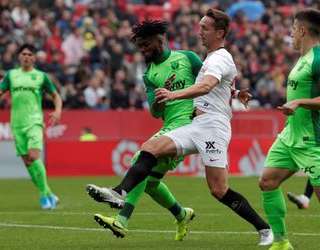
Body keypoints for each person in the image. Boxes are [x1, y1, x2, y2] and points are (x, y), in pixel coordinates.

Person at [87, 9, 273, 246]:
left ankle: (264, 229)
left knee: (218, 190)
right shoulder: (198, 62)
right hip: (195, 124)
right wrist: (235, 92)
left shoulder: (210, 58)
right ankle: (119, 194)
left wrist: (174, 95)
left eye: (205, 28)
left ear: (220, 32)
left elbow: (206, 86)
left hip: (213, 127)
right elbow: (215, 85)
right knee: (149, 148)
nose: (199, 31)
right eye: (199, 26)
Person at [87, 19, 203, 241]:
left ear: (160, 40)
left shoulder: (187, 58)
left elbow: (209, 84)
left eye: (146, 45)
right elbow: (155, 112)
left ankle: (121, 218)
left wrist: (205, 111)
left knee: (140, 157)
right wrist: (160, 98)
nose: (143, 50)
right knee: (149, 182)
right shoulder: (149, 75)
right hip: (170, 126)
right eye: (140, 46)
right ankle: (182, 214)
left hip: (189, 126)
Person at [259, 8, 320, 250]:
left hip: (312, 141)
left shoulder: (317, 59)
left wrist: (299, 102)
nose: (291, 34)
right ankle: (281, 242)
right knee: (267, 182)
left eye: (293, 29)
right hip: (289, 137)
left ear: (303, 30)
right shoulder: (302, 59)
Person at [0, 44, 62, 210]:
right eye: (23, 54)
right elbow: (0, 90)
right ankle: (49, 194)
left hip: (34, 121)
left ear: (34, 58)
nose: (26, 57)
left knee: (34, 156)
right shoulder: (11, 75)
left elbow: (55, 95)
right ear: (19, 57)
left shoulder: (40, 76)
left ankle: (44, 197)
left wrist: (58, 111)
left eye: (29, 54)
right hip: (17, 124)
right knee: (28, 162)